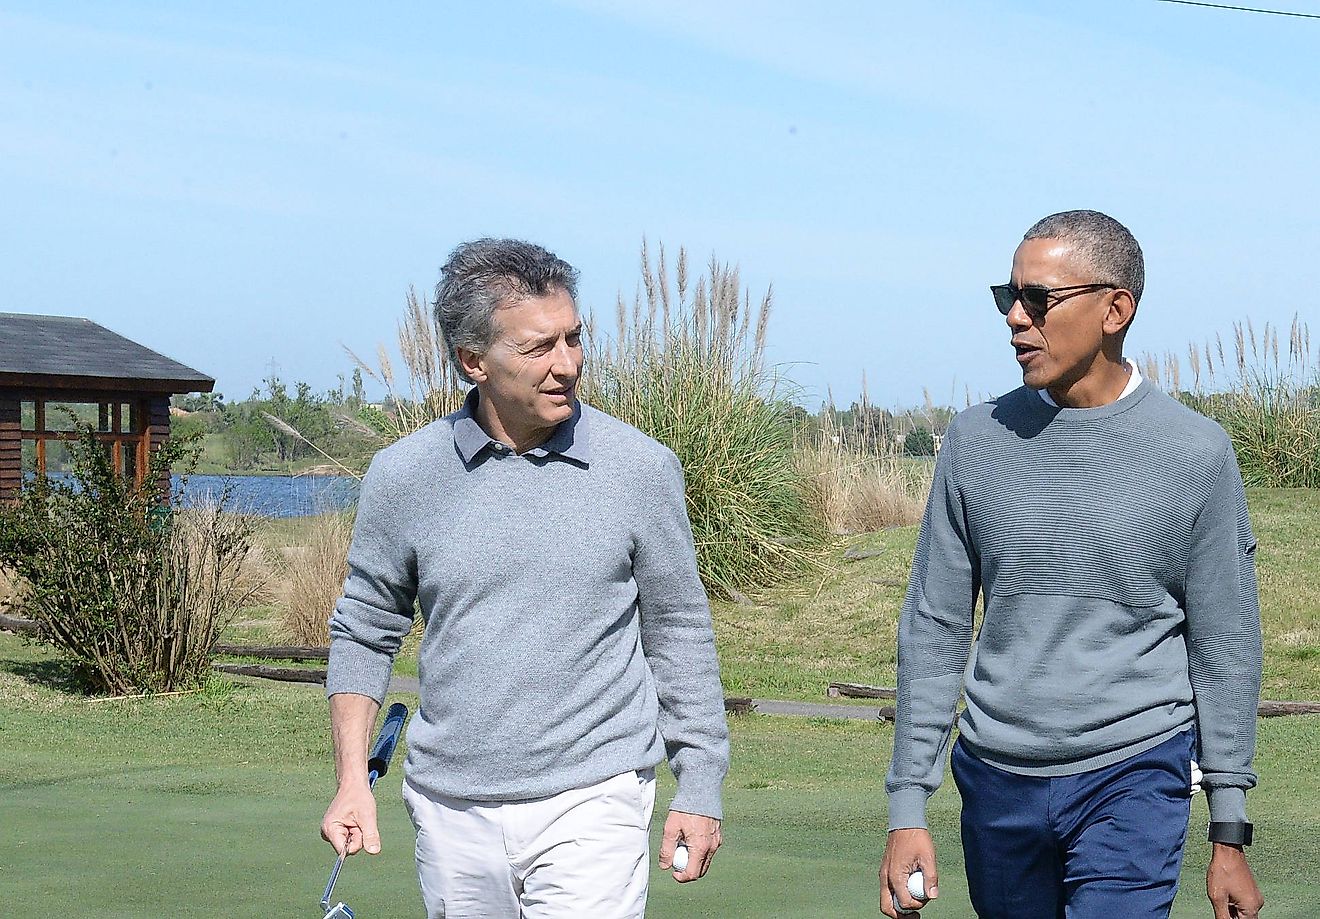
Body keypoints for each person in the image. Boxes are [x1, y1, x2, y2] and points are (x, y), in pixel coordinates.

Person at [320, 238, 729, 919]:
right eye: (540, 347)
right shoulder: (403, 476)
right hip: (451, 807)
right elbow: (365, 630)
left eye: (574, 338)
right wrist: (349, 781)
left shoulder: (641, 469)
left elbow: (679, 629)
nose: (566, 364)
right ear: (473, 361)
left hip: (595, 796)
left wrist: (700, 782)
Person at [879, 210, 1265, 919]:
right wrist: (909, 806)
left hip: (1136, 771)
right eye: (1009, 298)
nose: (1016, 321)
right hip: (997, 778)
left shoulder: (1196, 454)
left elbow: (1226, 647)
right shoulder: (974, 441)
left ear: (1116, 307)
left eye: (1039, 300)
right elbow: (934, 628)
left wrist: (1229, 828)